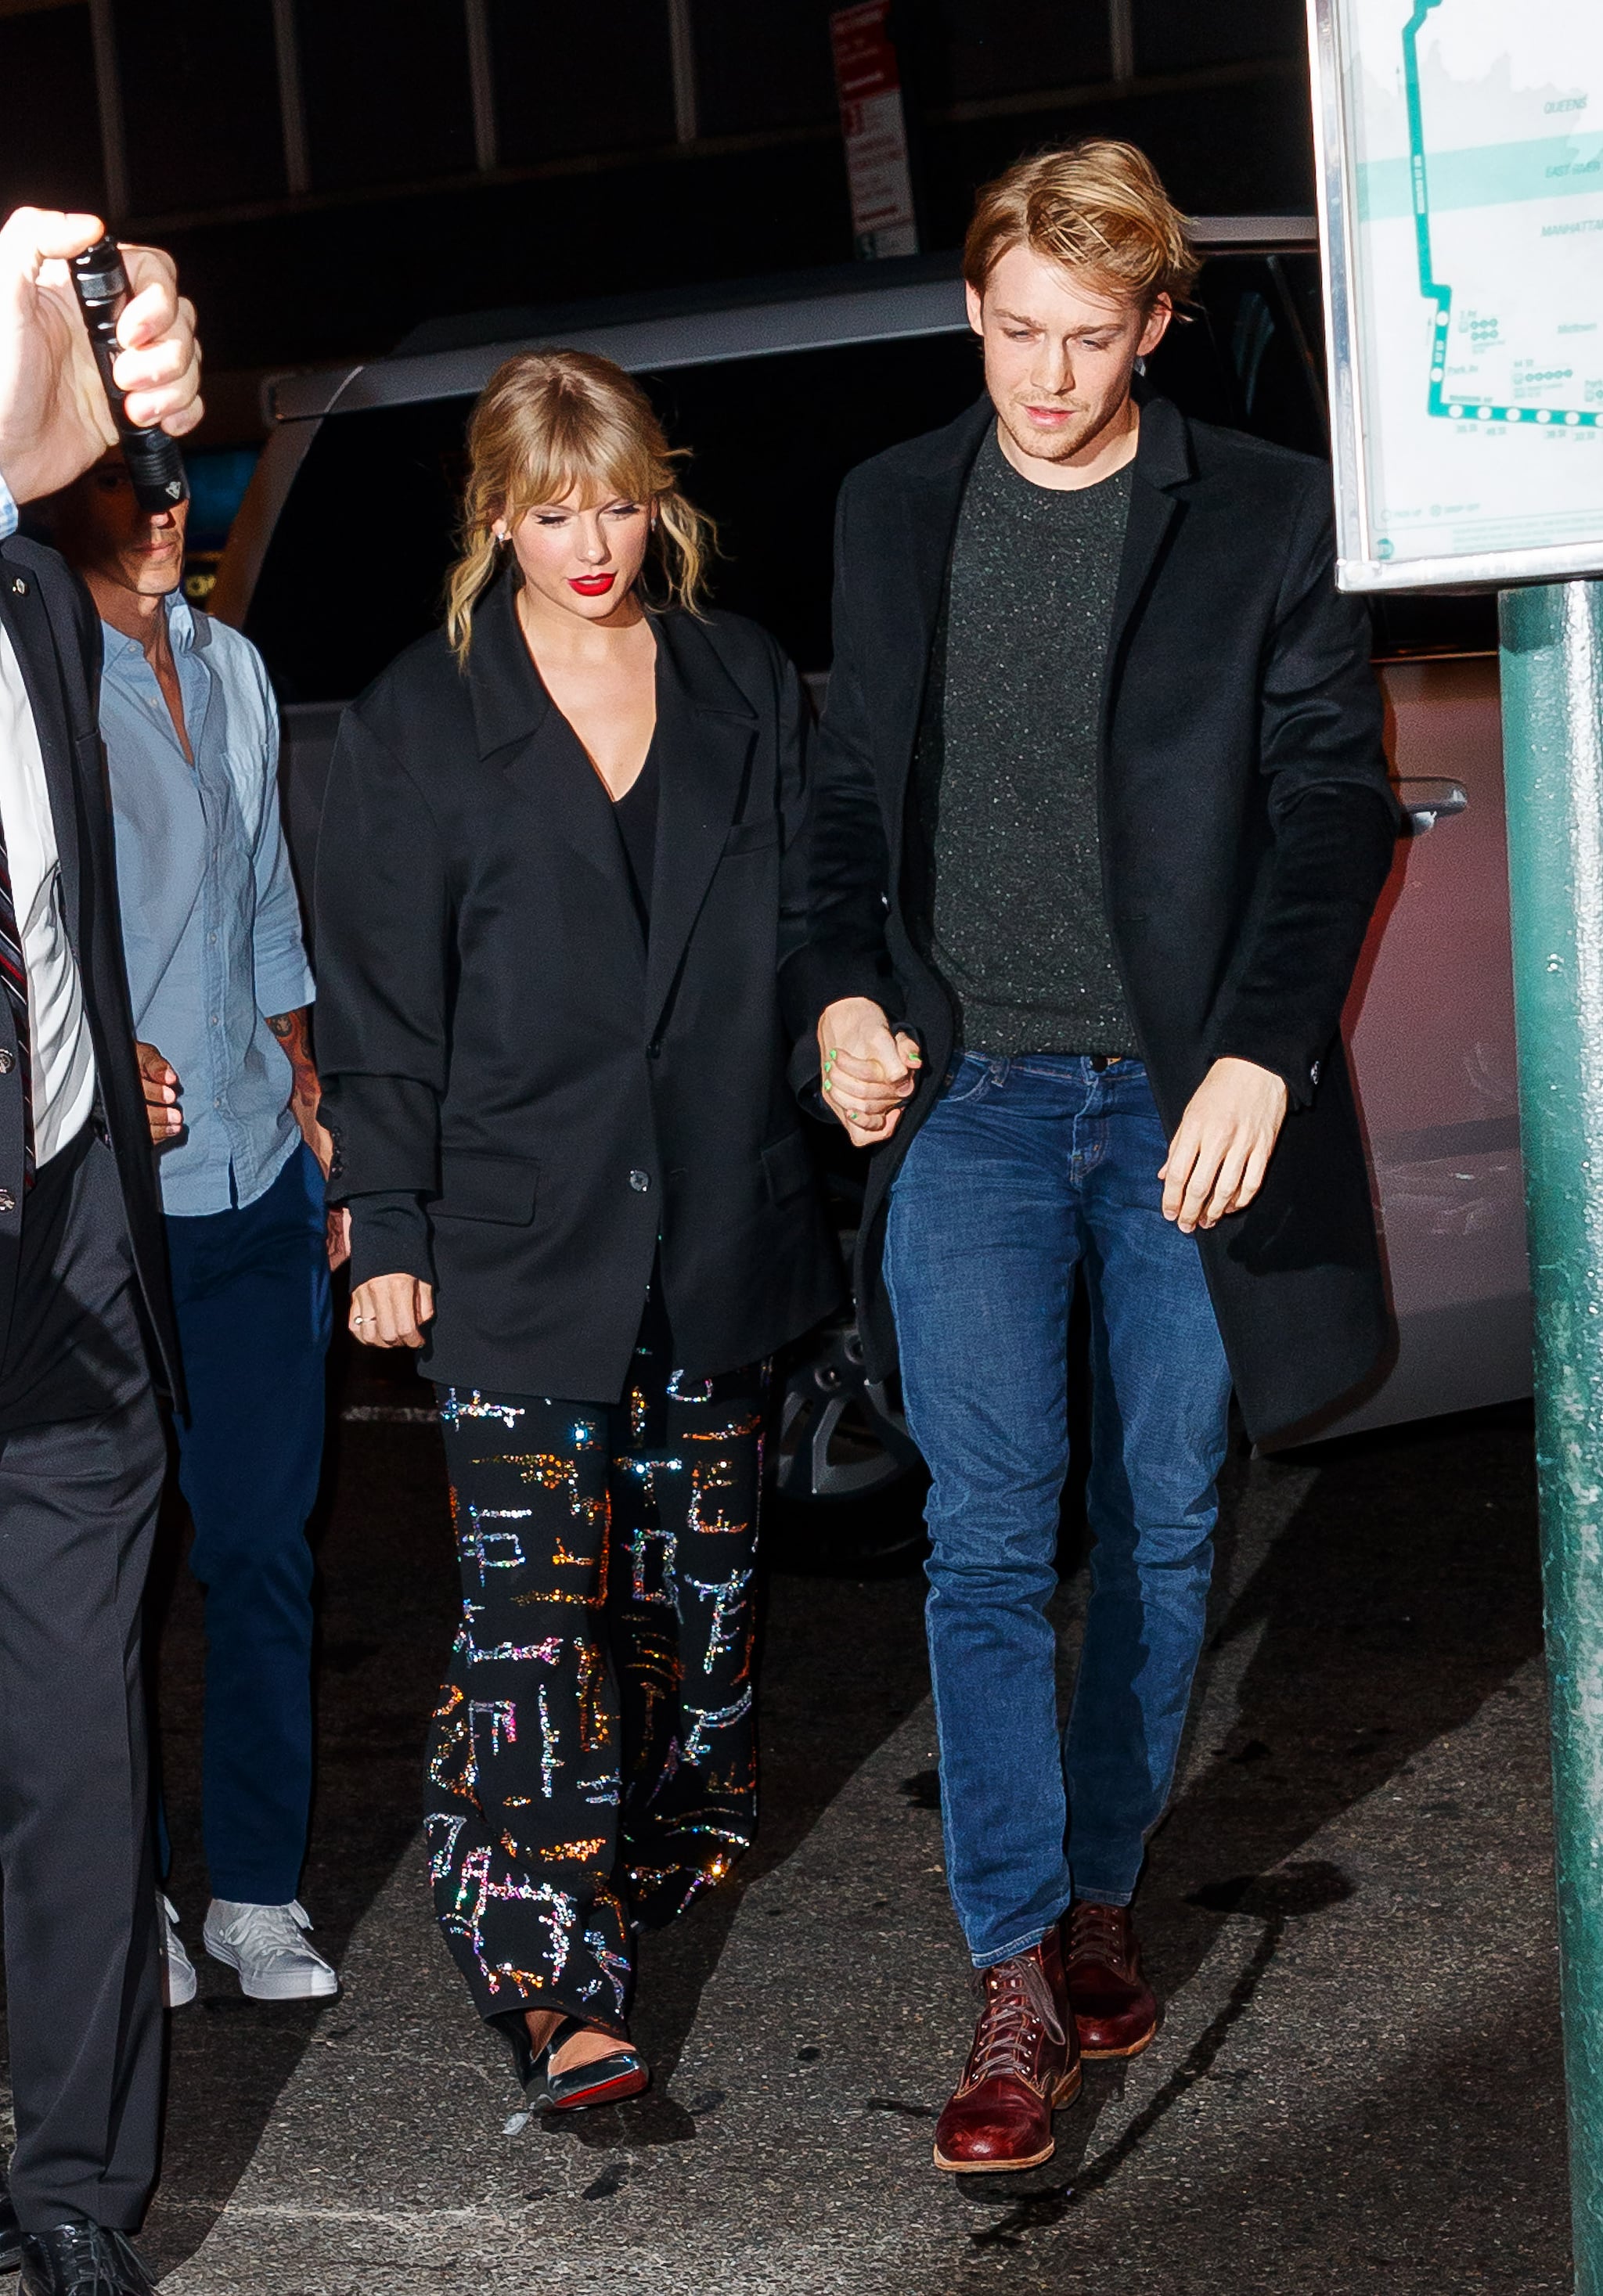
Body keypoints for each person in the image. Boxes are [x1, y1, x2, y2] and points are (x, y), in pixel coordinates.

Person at [788, 140, 1398, 2174]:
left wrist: (1261, 1052)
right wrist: (843, 1000)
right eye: (1012, 333)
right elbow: (843, 808)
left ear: (1155, 322)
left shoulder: (1261, 517)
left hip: (1173, 1100)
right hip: (968, 1097)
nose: (1045, 379)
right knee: (984, 1530)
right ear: (976, 309)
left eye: (1088, 338)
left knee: (1153, 1516)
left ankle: (1109, 1888)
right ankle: (1015, 1971)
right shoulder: (890, 511)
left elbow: (1329, 808)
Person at [312, 350, 840, 2111]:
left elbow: (804, 925)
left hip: (718, 1227)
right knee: (532, 1629)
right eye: (553, 511)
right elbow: (382, 1004)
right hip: (514, 1242)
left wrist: (841, 1035)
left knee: (699, 1603)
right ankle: (555, 1981)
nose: (594, 541)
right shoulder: (418, 718)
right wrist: (383, 1217)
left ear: (654, 493)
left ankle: (680, 1825)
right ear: (495, 518)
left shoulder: (740, 681)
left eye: (615, 500)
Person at [47, 452, 346, 2010]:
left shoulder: (230, 658)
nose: (167, 507)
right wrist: (85, 1056)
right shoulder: (28, 670)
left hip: (254, 1178)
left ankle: (251, 1892)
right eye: (124, 480)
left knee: (259, 1548)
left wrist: (306, 1088)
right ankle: (128, 1901)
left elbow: (264, 897)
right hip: (104, 1207)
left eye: (176, 479)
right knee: (104, 1578)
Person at [0, 204, 202, 2294]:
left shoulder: (39, 614)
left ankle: (72, 2188)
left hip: (60, 1237)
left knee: (75, 1742)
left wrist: (71, 1040)